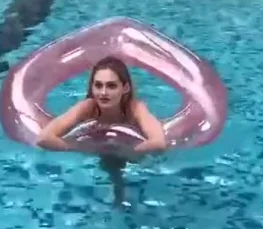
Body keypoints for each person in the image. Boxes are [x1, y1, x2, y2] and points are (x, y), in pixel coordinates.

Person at [37, 56, 167, 207]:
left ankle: (120, 195)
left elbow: (158, 142)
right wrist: (82, 147)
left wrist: (128, 151)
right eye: (98, 85)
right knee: (111, 167)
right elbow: (44, 138)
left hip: (130, 149)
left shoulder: (135, 109)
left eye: (111, 86)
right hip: (97, 146)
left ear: (125, 88)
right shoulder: (88, 107)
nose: (103, 92)